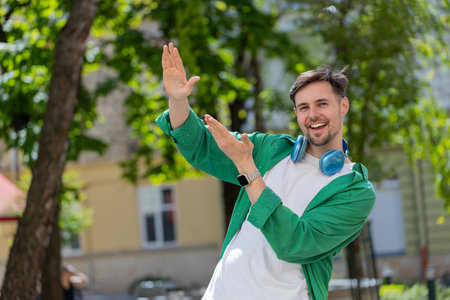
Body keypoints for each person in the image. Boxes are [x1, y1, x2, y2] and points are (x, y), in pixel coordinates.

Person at [157, 42, 376, 300]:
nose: (313, 114)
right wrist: (178, 99)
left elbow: (297, 244)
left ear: (343, 106)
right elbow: (201, 145)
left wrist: (249, 171)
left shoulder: (354, 190)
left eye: (322, 104)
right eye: (304, 107)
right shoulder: (270, 150)